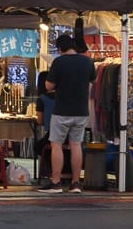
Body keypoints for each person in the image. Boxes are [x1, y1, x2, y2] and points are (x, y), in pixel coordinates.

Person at [38, 34, 96, 194]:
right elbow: (93, 80)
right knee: (76, 144)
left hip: (62, 110)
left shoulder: (59, 62)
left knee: (56, 144)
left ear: (60, 48)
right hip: (81, 111)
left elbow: (49, 86)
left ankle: (56, 183)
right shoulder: (88, 61)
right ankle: (76, 183)